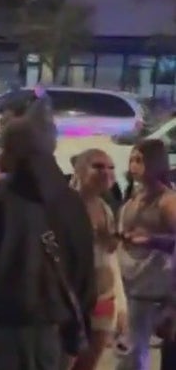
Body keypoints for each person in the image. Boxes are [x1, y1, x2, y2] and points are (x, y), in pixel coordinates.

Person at [0, 115, 96, 370]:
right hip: (53, 329)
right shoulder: (70, 202)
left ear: (13, 152)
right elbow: (84, 271)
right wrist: (76, 333)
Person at [117, 139, 176, 370]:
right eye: (132, 159)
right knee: (131, 353)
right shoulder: (134, 198)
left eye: (139, 160)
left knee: (137, 354)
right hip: (133, 285)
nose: (133, 165)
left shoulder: (168, 201)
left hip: (158, 289)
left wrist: (153, 240)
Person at [68, 149, 128, 370]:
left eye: (111, 167)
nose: (106, 172)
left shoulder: (105, 207)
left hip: (103, 298)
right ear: (79, 170)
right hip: (72, 299)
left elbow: (111, 260)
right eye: (98, 166)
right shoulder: (64, 205)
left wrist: (121, 306)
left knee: (89, 363)